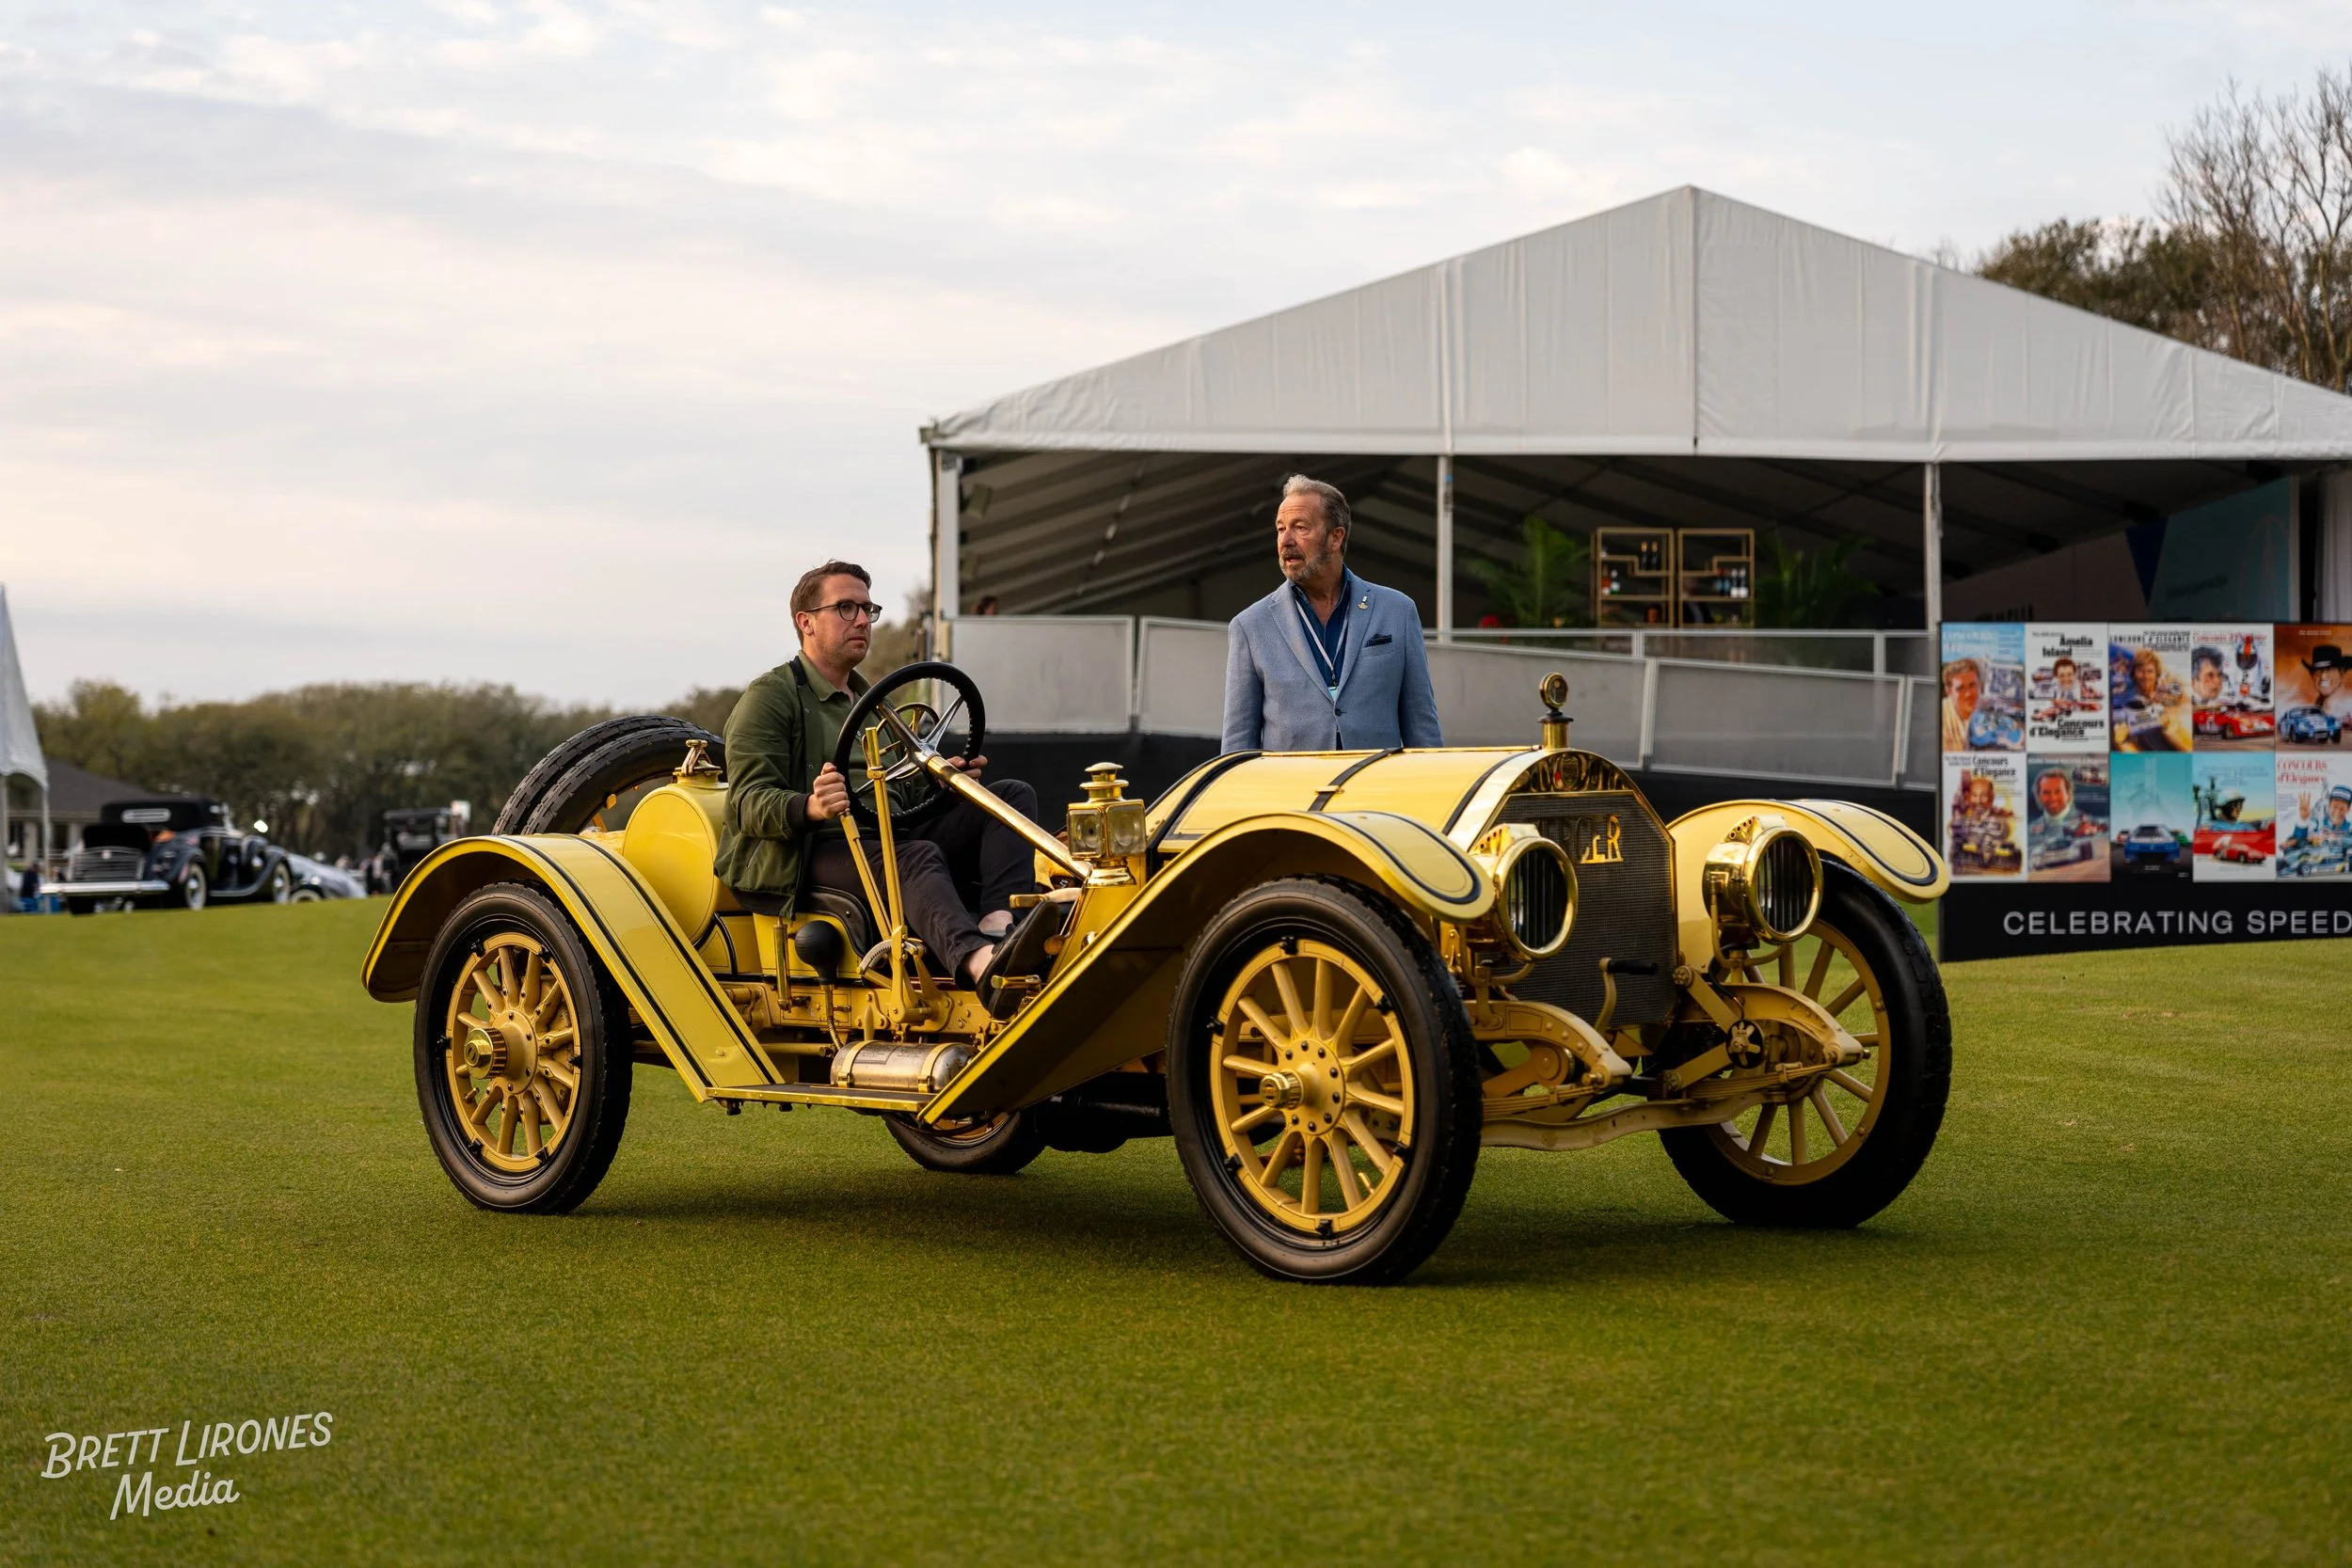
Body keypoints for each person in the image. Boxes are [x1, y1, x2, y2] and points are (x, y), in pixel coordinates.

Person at [715, 560, 1041, 990]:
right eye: (846, 608)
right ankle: (979, 965)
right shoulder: (771, 698)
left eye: (869, 609)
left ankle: (1000, 927)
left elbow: (897, 789)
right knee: (912, 855)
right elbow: (745, 803)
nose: (863, 621)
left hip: (880, 833)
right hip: (807, 851)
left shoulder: (869, 701)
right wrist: (809, 806)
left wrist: (942, 782)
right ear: (806, 622)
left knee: (1008, 797)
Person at [1220, 475, 1442, 753]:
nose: (1286, 541)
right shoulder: (1249, 626)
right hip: (1293, 795)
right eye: (1280, 529)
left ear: (1336, 537)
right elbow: (1238, 744)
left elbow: (1422, 727)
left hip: (1377, 792)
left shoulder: (1398, 611)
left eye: (1300, 528)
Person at [1939, 658, 1981, 752]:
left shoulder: (1991, 709)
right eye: (1960, 688)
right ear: (1949, 691)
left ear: (1979, 685)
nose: (1968, 694)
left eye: (1972, 685)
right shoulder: (1940, 716)